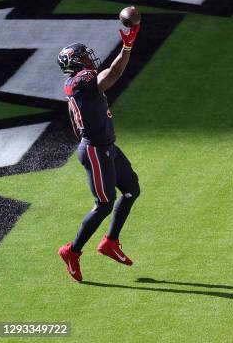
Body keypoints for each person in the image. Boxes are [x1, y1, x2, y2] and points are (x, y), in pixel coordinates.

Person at [57, 24, 141, 281]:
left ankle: (110, 243)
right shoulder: (80, 82)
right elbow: (113, 73)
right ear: (74, 63)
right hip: (95, 149)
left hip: (106, 147)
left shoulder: (80, 83)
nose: (88, 59)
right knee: (104, 205)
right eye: (83, 56)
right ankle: (72, 251)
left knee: (131, 190)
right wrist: (127, 45)